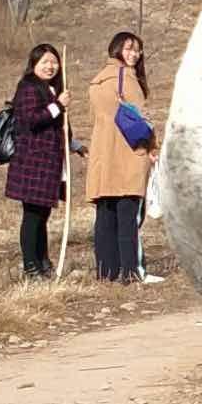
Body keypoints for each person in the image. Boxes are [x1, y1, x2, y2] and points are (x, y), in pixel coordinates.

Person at [83, 30, 161, 284]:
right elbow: (142, 119)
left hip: (103, 154)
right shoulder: (127, 78)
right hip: (129, 152)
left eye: (137, 50)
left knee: (106, 216)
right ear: (116, 48)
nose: (134, 54)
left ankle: (107, 272)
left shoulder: (97, 81)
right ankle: (132, 271)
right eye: (129, 48)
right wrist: (153, 147)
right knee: (129, 216)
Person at [3, 43, 71, 277]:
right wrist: (58, 105)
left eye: (54, 62)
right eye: (45, 62)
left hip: (49, 164)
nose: (51, 66)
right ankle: (31, 266)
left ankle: (43, 262)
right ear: (34, 65)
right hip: (33, 163)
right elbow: (32, 119)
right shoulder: (28, 87)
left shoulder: (51, 88)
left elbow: (59, 126)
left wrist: (74, 144)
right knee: (32, 216)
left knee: (42, 216)